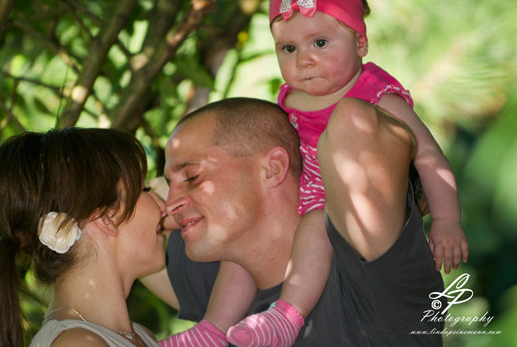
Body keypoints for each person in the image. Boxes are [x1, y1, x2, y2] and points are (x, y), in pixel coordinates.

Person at [160, 0, 469, 347]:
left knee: (313, 226)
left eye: (320, 43)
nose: (303, 59)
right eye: (289, 48)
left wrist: (446, 220)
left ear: (360, 42)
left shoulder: (376, 94)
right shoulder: (289, 100)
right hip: (301, 207)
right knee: (237, 250)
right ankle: (213, 329)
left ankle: (287, 316)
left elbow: (428, 155)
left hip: (344, 212)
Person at [161, 96, 452, 346]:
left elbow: (356, 122)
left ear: (273, 168)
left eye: (192, 177)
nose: (171, 204)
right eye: (170, 183)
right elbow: (124, 210)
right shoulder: (223, 303)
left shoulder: (370, 275)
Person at [0, 128, 166, 347]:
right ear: (106, 217)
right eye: (145, 189)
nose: (162, 205)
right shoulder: (78, 343)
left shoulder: (139, 335)